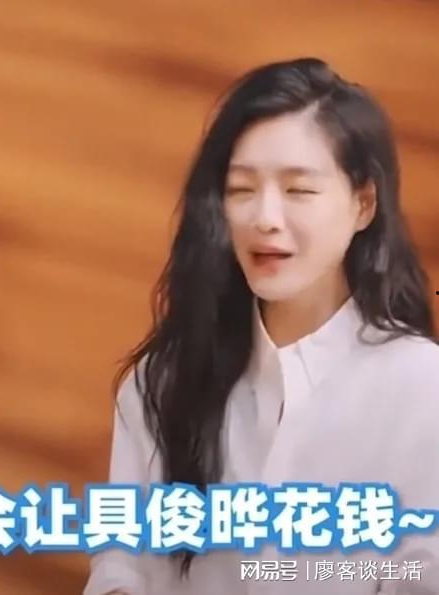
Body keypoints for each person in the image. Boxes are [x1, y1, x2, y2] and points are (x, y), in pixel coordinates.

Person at [83, 57, 439, 594]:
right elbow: (123, 559)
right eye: (241, 189)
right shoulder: (164, 379)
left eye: (299, 191)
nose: (265, 218)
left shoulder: (421, 387)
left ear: (364, 203)